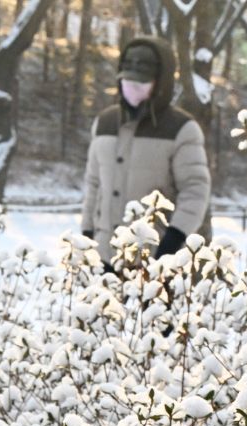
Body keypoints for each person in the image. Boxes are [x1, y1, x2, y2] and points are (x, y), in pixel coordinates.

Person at [81, 36, 211, 266]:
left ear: (160, 83)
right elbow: (93, 184)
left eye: (140, 84)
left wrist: (173, 242)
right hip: (103, 259)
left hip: (155, 260)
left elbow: (195, 190)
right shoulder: (104, 123)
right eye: (127, 82)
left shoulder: (182, 129)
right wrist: (87, 235)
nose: (132, 88)